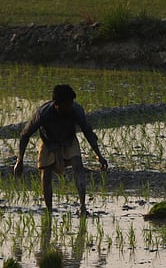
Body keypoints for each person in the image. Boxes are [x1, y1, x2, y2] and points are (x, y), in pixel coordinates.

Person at [14, 84, 108, 216]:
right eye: (66, 104)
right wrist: (20, 160)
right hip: (49, 142)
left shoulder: (76, 110)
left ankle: (82, 206)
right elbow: (25, 134)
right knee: (45, 175)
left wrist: (99, 155)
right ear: (57, 104)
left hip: (69, 140)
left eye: (71, 103)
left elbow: (88, 132)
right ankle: (49, 211)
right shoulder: (43, 113)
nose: (69, 107)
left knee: (78, 166)